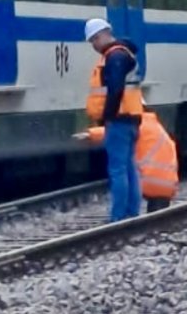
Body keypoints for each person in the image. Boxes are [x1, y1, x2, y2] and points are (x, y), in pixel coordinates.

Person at [83, 18, 144, 222]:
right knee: (128, 167)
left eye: (94, 40)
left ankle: (119, 216)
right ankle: (132, 212)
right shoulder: (125, 53)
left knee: (118, 169)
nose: (94, 45)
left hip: (119, 120)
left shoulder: (115, 56)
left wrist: (106, 117)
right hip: (132, 118)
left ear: (104, 34)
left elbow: (115, 90)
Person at [76, 105, 179, 213]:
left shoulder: (139, 124)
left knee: (124, 177)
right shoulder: (158, 128)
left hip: (147, 182)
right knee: (157, 215)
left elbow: (115, 132)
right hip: (168, 186)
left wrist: (91, 134)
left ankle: (125, 214)